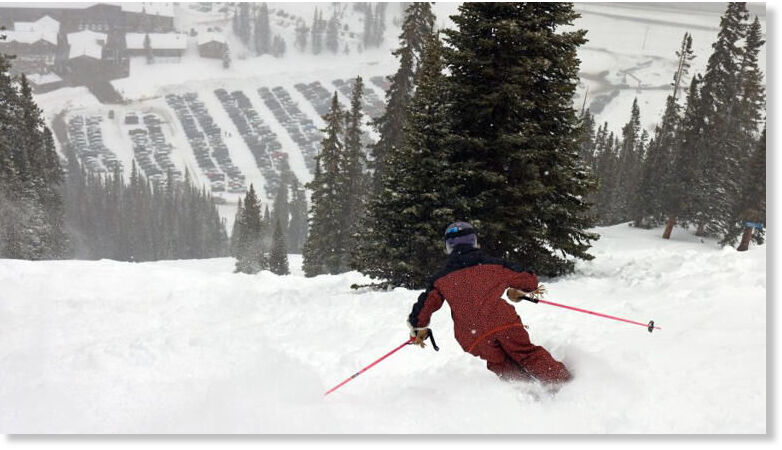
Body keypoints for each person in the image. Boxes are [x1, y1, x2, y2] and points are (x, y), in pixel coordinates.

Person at [407, 221, 571, 384]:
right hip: (501, 321)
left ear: (448, 247)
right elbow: (528, 280)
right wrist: (518, 291)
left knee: (499, 362)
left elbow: (425, 306)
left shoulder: (440, 278)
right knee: (525, 353)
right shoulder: (494, 265)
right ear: (474, 241)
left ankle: (524, 393)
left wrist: (418, 327)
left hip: (472, 334)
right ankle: (562, 383)